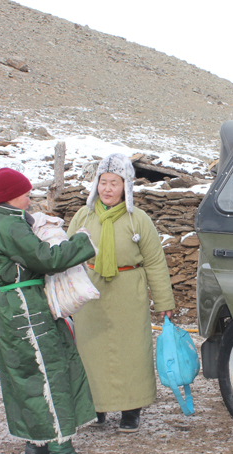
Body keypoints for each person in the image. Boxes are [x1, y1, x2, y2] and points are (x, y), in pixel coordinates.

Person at [0, 168, 100, 454]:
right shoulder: (11, 226)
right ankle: (61, 453)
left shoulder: (2, 223)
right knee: (50, 371)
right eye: (25, 192)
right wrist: (82, 243)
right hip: (26, 306)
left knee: (27, 376)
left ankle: (37, 446)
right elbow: (46, 258)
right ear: (8, 196)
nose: (29, 197)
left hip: (13, 306)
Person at [67, 153, 176, 433]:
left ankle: (131, 409)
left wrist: (164, 301)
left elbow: (154, 262)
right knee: (91, 353)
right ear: (96, 184)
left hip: (129, 293)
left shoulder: (138, 220)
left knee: (132, 352)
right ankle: (96, 408)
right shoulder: (84, 216)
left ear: (125, 186)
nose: (107, 189)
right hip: (91, 295)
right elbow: (66, 257)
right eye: (103, 182)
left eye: (114, 183)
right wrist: (64, 296)